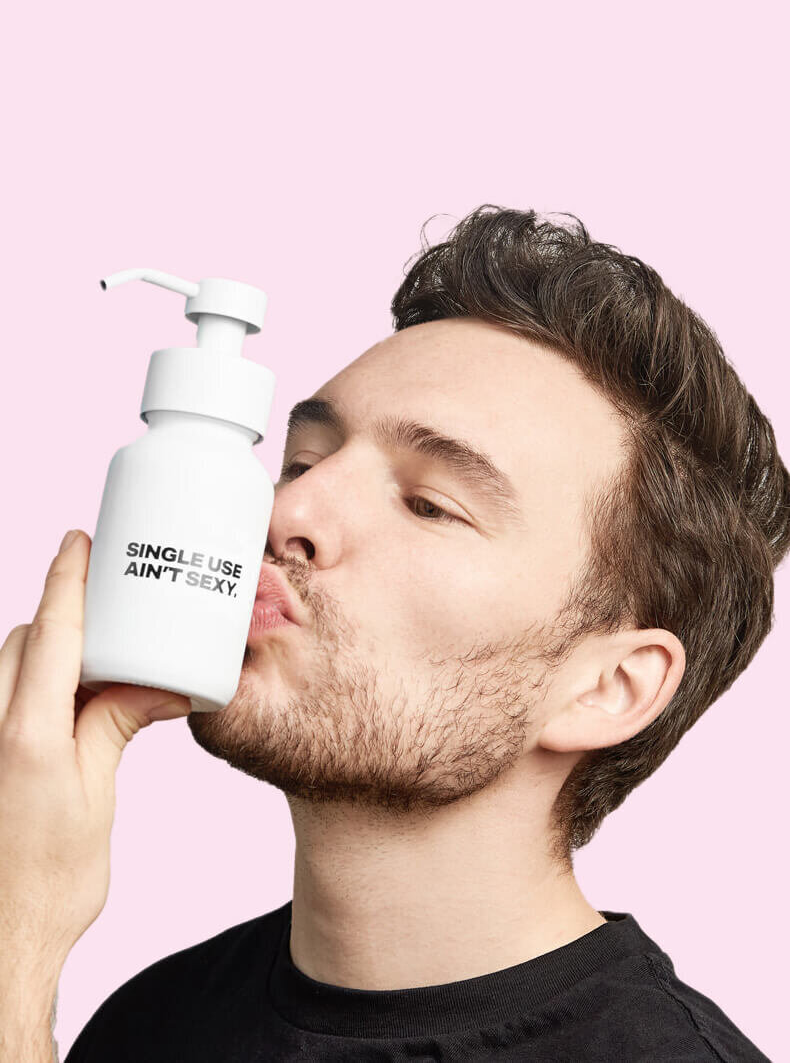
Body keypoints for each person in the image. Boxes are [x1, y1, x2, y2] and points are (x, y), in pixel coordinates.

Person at [1, 207, 782, 1062]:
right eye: (300, 462)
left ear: (608, 686)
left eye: (427, 503)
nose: (286, 511)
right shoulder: (154, 1024)